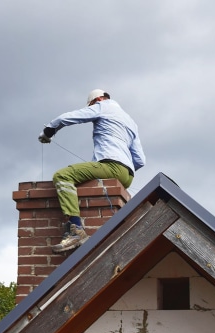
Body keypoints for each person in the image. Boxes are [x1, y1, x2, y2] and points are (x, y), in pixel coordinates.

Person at [38, 89, 146, 253]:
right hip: (127, 174)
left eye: (91, 105)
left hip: (111, 165)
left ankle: (76, 231)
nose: (91, 108)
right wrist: (121, 171)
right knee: (86, 175)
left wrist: (48, 131)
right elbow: (140, 160)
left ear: (98, 99)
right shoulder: (131, 121)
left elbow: (67, 118)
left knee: (63, 176)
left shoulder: (103, 106)